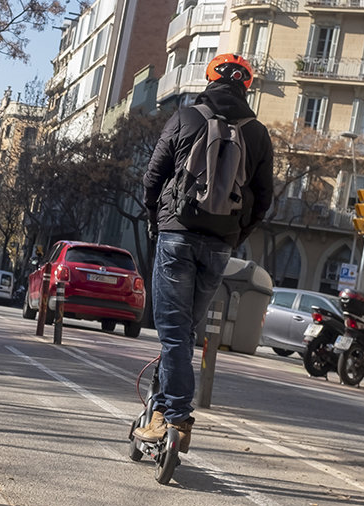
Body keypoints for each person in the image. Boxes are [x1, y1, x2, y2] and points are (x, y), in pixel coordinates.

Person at [133, 54, 273, 453]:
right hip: (220, 246)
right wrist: (235, 233)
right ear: (245, 86)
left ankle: (175, 415)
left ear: (208, 80)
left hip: (177, 236)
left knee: (174, 334)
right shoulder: (258, 133)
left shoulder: (185, 117)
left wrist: (157, 219)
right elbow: (264, 200)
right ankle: (160, 411)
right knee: (183, 335)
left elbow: (152, 177)